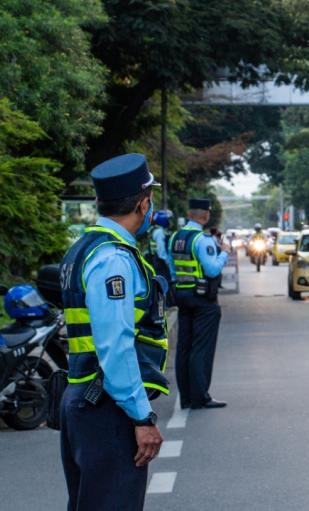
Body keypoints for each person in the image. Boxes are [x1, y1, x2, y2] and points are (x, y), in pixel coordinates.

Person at [59, 153, 167, 511]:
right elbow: (116, 347)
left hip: (86, 398)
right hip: (105, 405)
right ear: (142, 202)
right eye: (150, 199)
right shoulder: (112, 259)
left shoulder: (84, 249)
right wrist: (141, 417)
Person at [170, 199, 229, 409]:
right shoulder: (202, 240)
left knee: (184, 347)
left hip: (182, 296)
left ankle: (185, 397)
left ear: (189, 213)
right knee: (201, 348)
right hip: (204, 299)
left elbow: (172, 270)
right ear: (205, 216)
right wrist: (224, 252)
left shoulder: (175, 238)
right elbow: (212, 270)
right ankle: (200, 396)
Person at [144, 209, 175, 285]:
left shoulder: (154, 229)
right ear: (163, 219)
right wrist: (168, 263)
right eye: (169, 219)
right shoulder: (159, 232)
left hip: (154, 260)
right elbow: (161, 252)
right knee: (165, 283)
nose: (170, 222)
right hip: (160, 262)